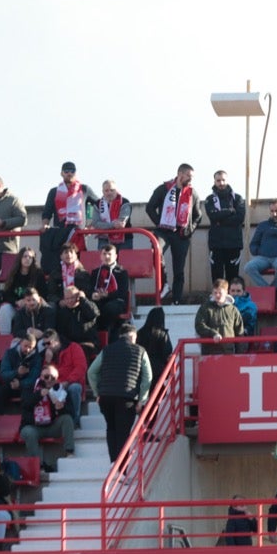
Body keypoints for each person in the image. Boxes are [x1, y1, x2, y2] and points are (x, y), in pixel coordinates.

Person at [87, 323, 153, 461]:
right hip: (127, 398)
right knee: (123, 434)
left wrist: (97, 392)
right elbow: (148, 378)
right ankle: (122, 470)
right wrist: (142, 399)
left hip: (106, 397)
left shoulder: (107, 350)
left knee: (111, 429)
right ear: (133, 336)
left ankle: (113, 462)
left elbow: (91, 372)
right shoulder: (140, 351)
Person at [146, 163, 201, 302]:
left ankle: (176, 299)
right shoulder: (163, 188)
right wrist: (160, 222)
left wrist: (190, 230)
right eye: (189, 176)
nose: (191, 179)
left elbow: (198, 215)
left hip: (181, 234)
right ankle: (164, 284)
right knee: (156, 251)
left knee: (179, 269)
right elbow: (150, 207)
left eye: (192, 176)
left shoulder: (192, 193)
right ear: (180, 174)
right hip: (164, 231)